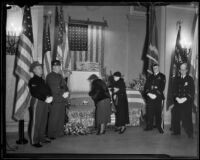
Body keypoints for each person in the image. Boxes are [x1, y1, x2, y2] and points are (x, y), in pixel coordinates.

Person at [28, 61, 53, 147]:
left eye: (41, 67)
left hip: (45, 102)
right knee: (36, 122)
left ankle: (41, 138)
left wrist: (50, 96)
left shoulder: (42, 80)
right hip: (37, 102)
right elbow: (35, 92)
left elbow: (48, 90)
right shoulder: (33, 80)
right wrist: (45, 98)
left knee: (43, 121)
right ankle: (34, 140)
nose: (41, 69)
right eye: (39, 68)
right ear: (34, 70)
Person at [46, 60, 69, 139]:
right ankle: (51, 134)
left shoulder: (59, 75)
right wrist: (63, 94)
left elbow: (64, 86)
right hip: (56, 100)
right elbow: (55, 89)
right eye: (56, 66)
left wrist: (67, 92)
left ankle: (59, 132)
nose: (58, 67)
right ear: (53, 67)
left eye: (59, 66)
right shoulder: (51, 76)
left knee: (60, 117)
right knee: (54, 118)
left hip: (61, 99)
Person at [171, 63, 194, 138]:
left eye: (184, 69)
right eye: (181, 69)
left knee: (187, 117)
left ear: (186, 70)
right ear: (179, 70)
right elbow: (174, 91)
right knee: (175, 114)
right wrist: (177, 98)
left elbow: (192, 92)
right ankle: (176, 131)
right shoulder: (176, 79)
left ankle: (190, 133)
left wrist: (184, 98)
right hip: (178, 101)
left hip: (186, 101)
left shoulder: (190, 79)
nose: (182, 71)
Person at [144, 64, 166, 134]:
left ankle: (159, 127)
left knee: (158, 113)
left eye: (156, 68)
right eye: (154, 68)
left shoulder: (162, 76)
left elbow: (162, 87)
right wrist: (148, 94)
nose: (155, 69)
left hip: (158, 97)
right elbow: (146, 87)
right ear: (152, 69)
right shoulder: (150, 76)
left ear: (158, 68)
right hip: (150, 97)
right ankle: (149, 126)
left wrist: (155, 94)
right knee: (149, 112)